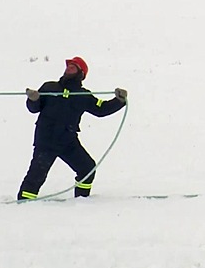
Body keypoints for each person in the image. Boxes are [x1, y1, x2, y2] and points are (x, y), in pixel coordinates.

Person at [18, 56, 127, 200]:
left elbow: (101, 109)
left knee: (87, 168)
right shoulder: (49, 87)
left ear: (81, 74)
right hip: (46, 141)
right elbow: (34, 108)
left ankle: (82, 201)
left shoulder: (83, 95)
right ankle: (24, 202)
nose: (68, 67)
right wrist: (33, 99)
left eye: (73, 66)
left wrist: (119, 100)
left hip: (68, 142)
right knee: (36, 176)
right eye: (68, 66)